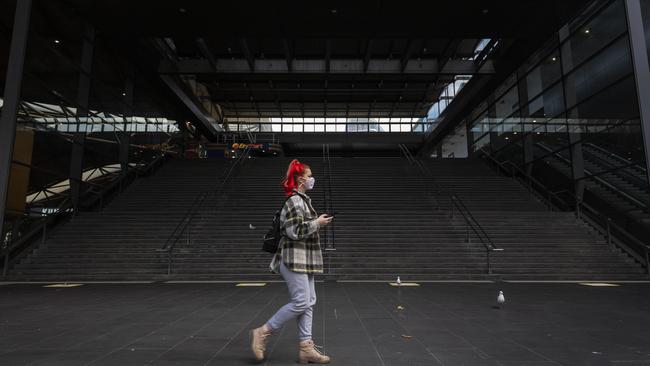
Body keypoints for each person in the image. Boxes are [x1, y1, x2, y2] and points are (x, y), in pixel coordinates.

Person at [249, 159, 333, 364]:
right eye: (309, 175)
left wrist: (316, 221)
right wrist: (318, 223)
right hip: (293, 258)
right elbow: (294, 231)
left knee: (308, 302)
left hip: (303, 259)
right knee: (302, 302)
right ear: (299, 179)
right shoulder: (294, 201)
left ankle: (306, 348)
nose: (312, 179)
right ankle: (262, 332)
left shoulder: (302, 199)